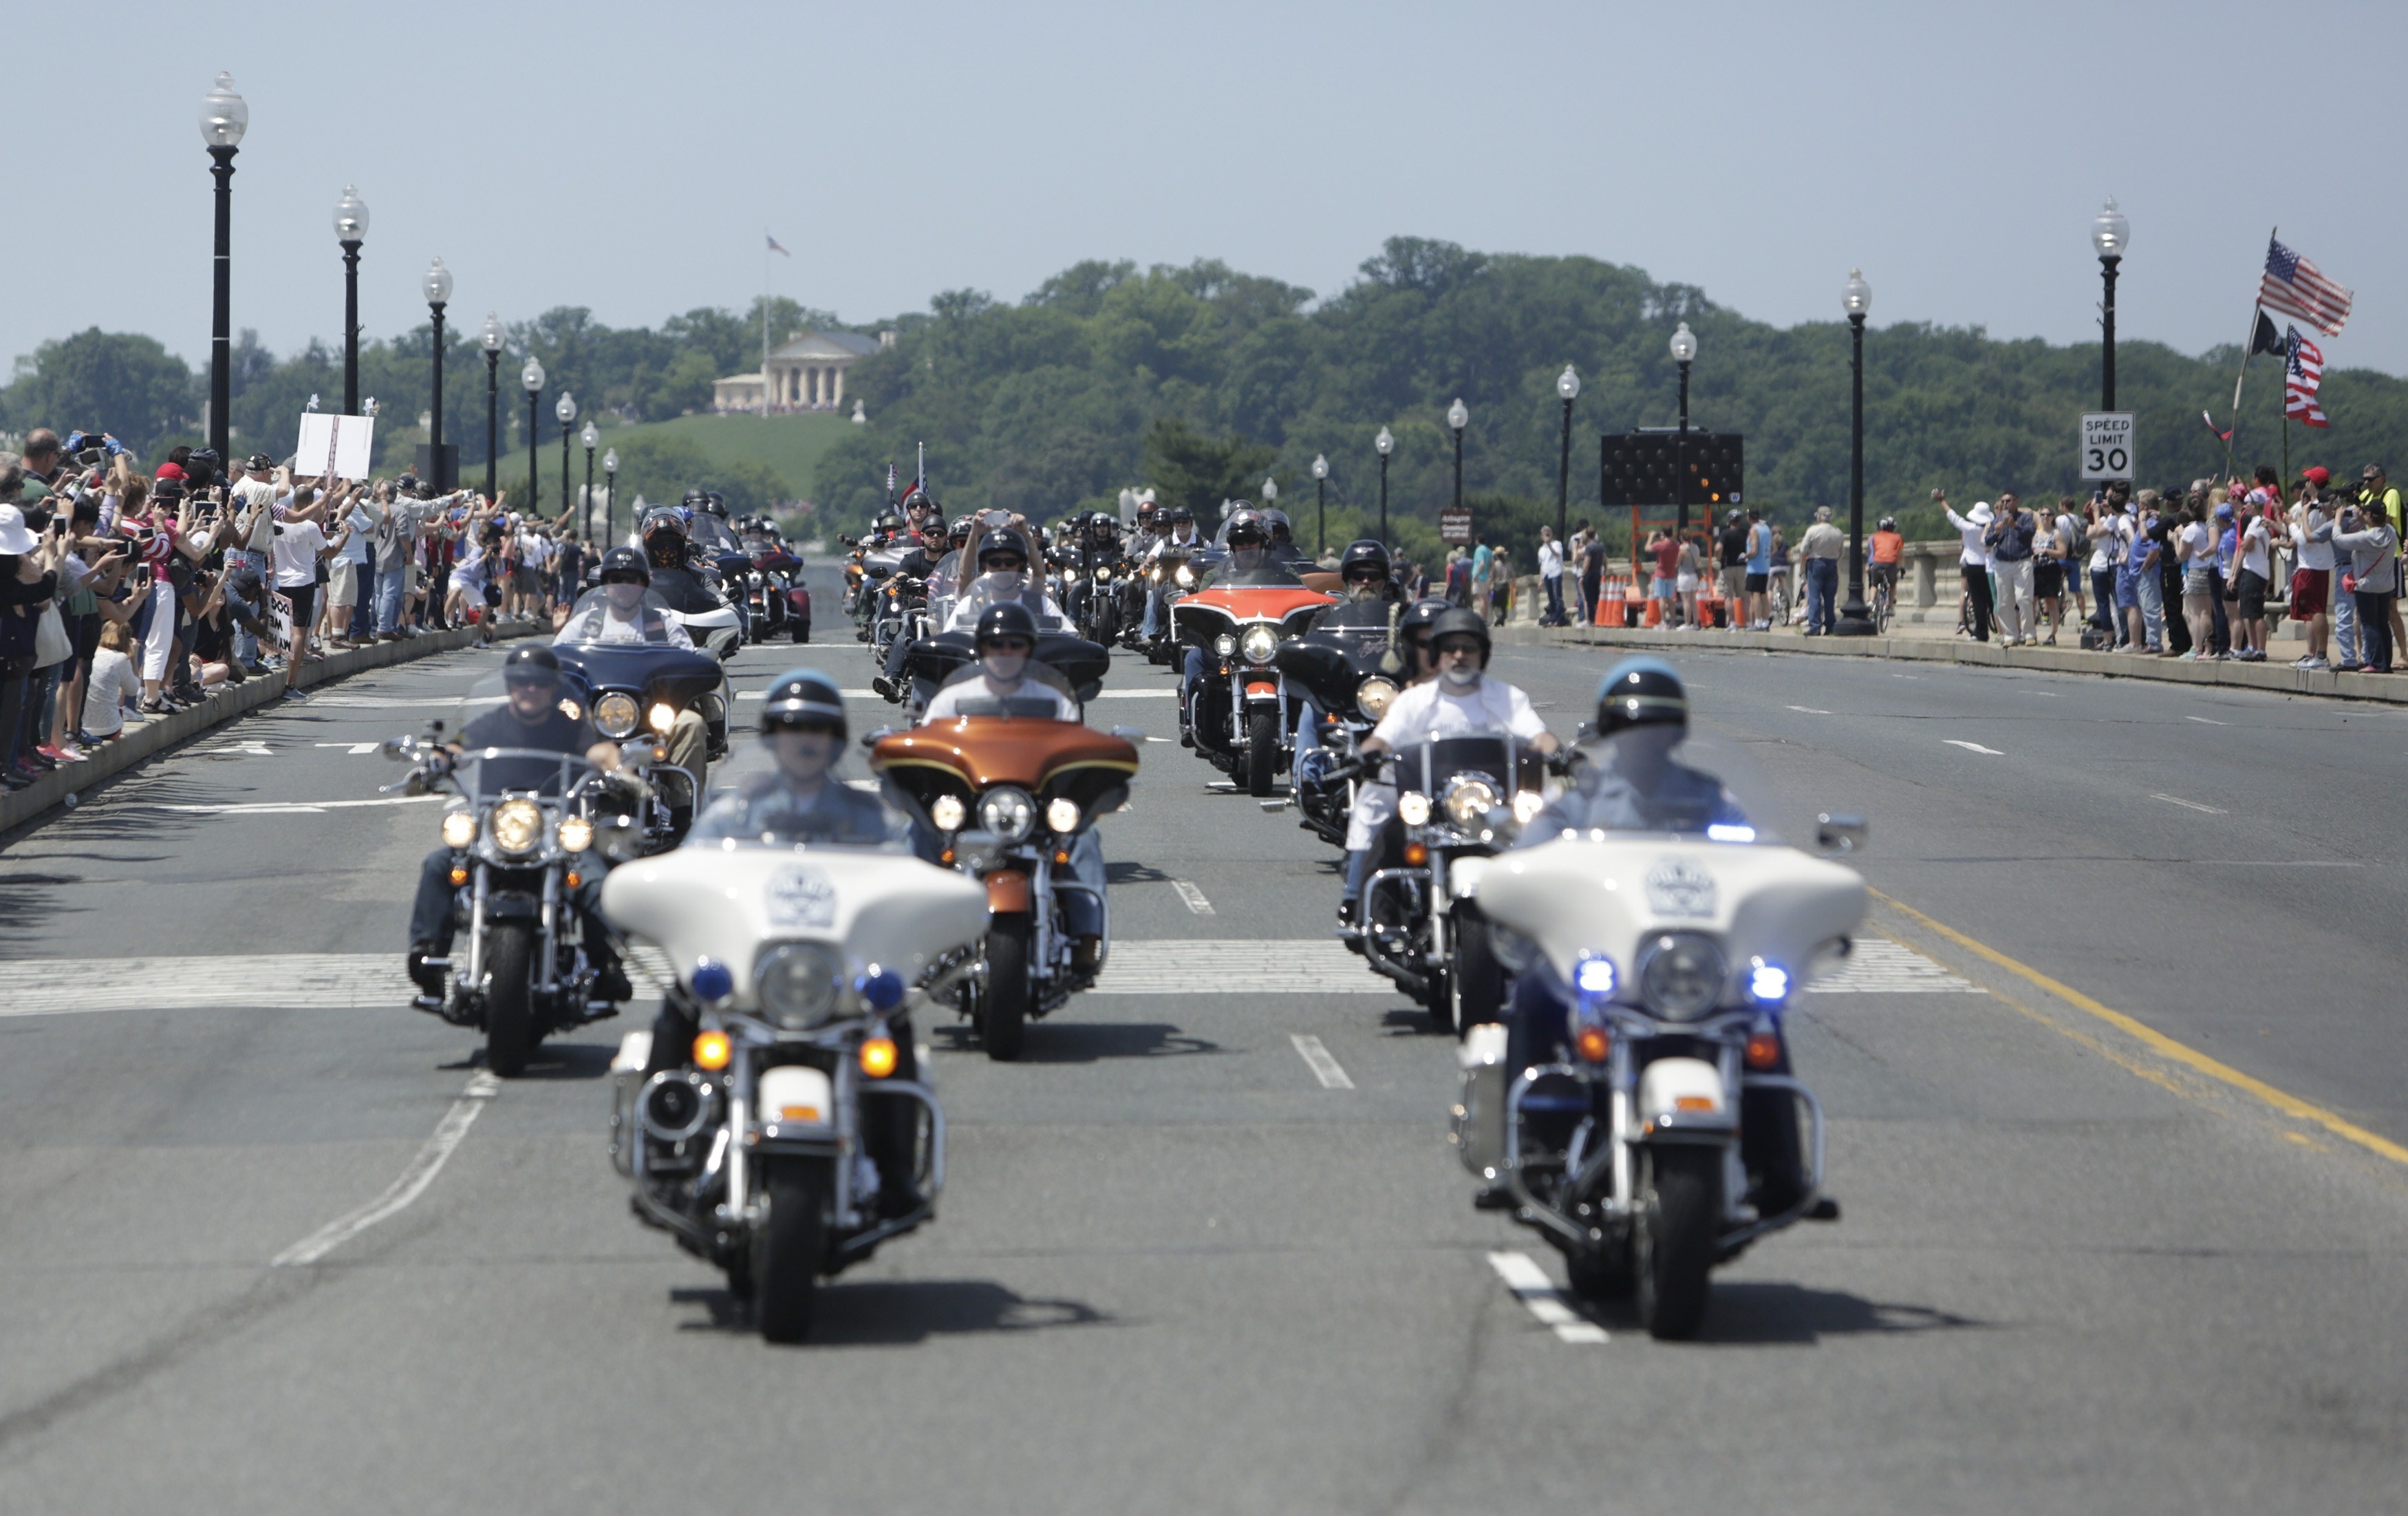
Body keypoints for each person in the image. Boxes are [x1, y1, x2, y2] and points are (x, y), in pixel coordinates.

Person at [645, 668, 930, 1215]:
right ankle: (666, 1147)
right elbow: (696, 875)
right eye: (791, 727)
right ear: (772, 738)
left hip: (835, 967)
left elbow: (902, 876)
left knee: (892, 1016)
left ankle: (896, 1171)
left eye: (817, 729)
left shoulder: (868, 818)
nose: (804, 739)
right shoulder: (733, 814)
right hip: (755, 963)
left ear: (835, 741)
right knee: (683, 997)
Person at [405, 644, 632, 1006]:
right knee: (438, 865)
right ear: (510, 685)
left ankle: (607, 965)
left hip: (555, 826)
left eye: (539, 683)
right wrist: (436, 762)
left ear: (553, 687)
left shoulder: (570, 728)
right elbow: (456, 749)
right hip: (496, 824)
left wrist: (621, 769)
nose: (530, 689)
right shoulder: (491, 723)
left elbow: (600, 751)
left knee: (595, 880)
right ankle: (428, 958)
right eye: (522, 682)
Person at [2319, 500, 2398, 672]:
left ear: (2370, 515)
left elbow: (2339, 539)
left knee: (2369, 624)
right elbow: (2376, 528)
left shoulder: (2367, 537)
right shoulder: (2391, 532)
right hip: (2386, 585)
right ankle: (2385, 663)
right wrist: (2364, 521)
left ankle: (2375, 663)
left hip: (2367, 586)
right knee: (2383, 624)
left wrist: (2338, 520)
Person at [2290, 478, 2335, 670]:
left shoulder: (2315, 509)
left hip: (2312, 566)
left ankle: (2322, 655)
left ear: (2313, 483)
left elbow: (2304, 539)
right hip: (2318, 565)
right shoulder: (2321, 507)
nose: (2306, 482)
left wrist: (2289, 524)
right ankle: (2315, 654)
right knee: (2312, 610)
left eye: (2309, 479)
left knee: (2316, 610)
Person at [1984, 495, 2038, 645]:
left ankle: (2029, 634)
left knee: (2024, 598)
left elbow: (2030, 533)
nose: (2006, 504)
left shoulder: (2025, 518)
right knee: (2004, 602)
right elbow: (1987, 542)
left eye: (2009, 501)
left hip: (2022, 562)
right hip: (2002, 563)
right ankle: (2010, 635)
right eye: (2003, 502)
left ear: (2016, 502)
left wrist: (2015, 525)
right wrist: (1995, 532)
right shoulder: (1997, 520)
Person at [1939, 491, 1992, 642]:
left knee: (1978, 601)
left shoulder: (1969, 528)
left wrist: (1942, 501)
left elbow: (1953, 516)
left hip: (1974, 567)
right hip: (1988, 566)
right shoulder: (1991, 529)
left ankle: (1982, 632)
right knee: (1992, 600)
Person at [1798, 506, 1845, 635]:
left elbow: (1803, 551)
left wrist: (1803, 569)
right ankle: (1830, 626)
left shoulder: (1813, 530)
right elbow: (1842, 553)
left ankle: (1815, 626)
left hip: (1816, 563)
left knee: (1814, 596)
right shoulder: (1838, 532)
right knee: (1830, 597)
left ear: (1819, 517)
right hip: (1832, 563)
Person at [1714, 510, 1749, 632]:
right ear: (1740, 521)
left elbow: (1718, 548)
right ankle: (1748, 623)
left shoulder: (1725, 534)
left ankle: (1733, 623)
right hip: (1742, 567)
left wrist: (1719, 558)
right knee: (1745, 597)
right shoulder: (1745, 533)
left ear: (1729, 521)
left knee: (1728, 598)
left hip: (1727, 567)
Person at [1869, 515, 1905, 621]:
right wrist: (1902, 568)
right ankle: (1889, 607)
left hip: (1878, 563)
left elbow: (1875, 551)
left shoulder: (1875, 537)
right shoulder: (1898, 537)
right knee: (1892, 585)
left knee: (1874, 584)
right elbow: (1901, 555)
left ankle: (1871, 602)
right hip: (1891, 564)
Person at [1744, 508, 1774, 630]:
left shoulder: (1754, 530)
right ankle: (1766, 622)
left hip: (1754, 567)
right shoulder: (1766, 529)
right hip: (1765, 566)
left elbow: (1754, 550)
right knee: (1764, 595)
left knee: (1755, 594)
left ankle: (1758, 622)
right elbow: (1774, 548)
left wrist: (1745, 556)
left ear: (1749, 518)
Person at [1536, 525, 1567, 626]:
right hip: (1547, 574)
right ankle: (1553, 618)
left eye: (1548, 531)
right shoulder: (1541, 549)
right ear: (1542, 535)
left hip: (1556, 572)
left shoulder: (1557, 544)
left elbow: (1557, 554)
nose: (1547, 533)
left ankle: (1559, 618)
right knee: (1551, 598)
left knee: (1557, 596)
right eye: (1545, 532)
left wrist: (1549, 545)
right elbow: (1542, 565)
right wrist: (1540, 580)